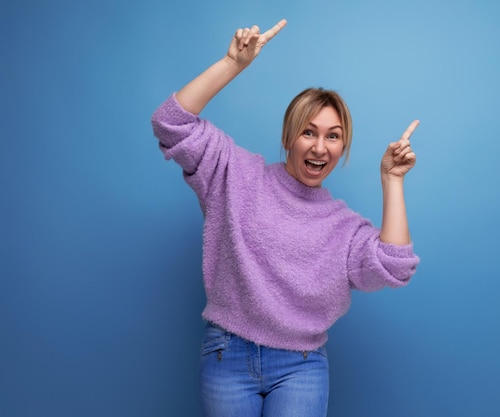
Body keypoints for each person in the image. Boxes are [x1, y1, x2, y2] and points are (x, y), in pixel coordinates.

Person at [151, 18, 420, 417]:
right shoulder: (236, 175)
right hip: (228, 354)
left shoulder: (342, 226)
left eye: (333, 136)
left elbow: (394, 265)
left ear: (343, 145)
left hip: (302, 365)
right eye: (308, 132)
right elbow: (171, 122)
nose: (320, 146)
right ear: (288, 137)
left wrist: (392, 180)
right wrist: (232, 64)